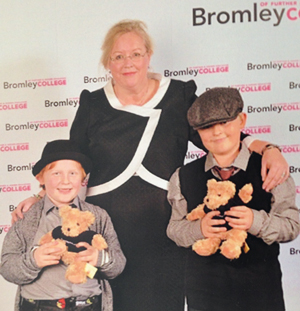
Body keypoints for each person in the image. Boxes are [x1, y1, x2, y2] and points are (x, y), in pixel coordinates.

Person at [12, 20, 290, 311]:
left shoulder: (178, 96)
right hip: (106, 229)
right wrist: (40, 195)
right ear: (108, 62)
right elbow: (71, 162)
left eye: (135, 54)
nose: (127, 62)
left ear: (148, 56)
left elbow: (217, 137)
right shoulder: (93, 104)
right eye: (118, 56)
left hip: (162, 229)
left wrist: (266, 148)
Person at [167, 87, 300, 311]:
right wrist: (199, 229)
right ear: (197, 132)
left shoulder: (271, 169)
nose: (217, 132)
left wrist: (255, 221)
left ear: (241, 120)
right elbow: (174, 229)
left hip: (261, 290)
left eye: (225, 123)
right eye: (207, 127)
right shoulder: (183, 176)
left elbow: (292, 226)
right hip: (204, 291)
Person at [1, 140, 126, 311]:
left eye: (73, 173)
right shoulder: (27, 217)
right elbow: (7, 266)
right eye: (56, 173)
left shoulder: (97, 216)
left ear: (83, 178)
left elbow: (118, 265)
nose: (65, 181)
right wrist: (33, 261)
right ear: (40, 179)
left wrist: (99, 258)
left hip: (88, 305)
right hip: (40, 306)